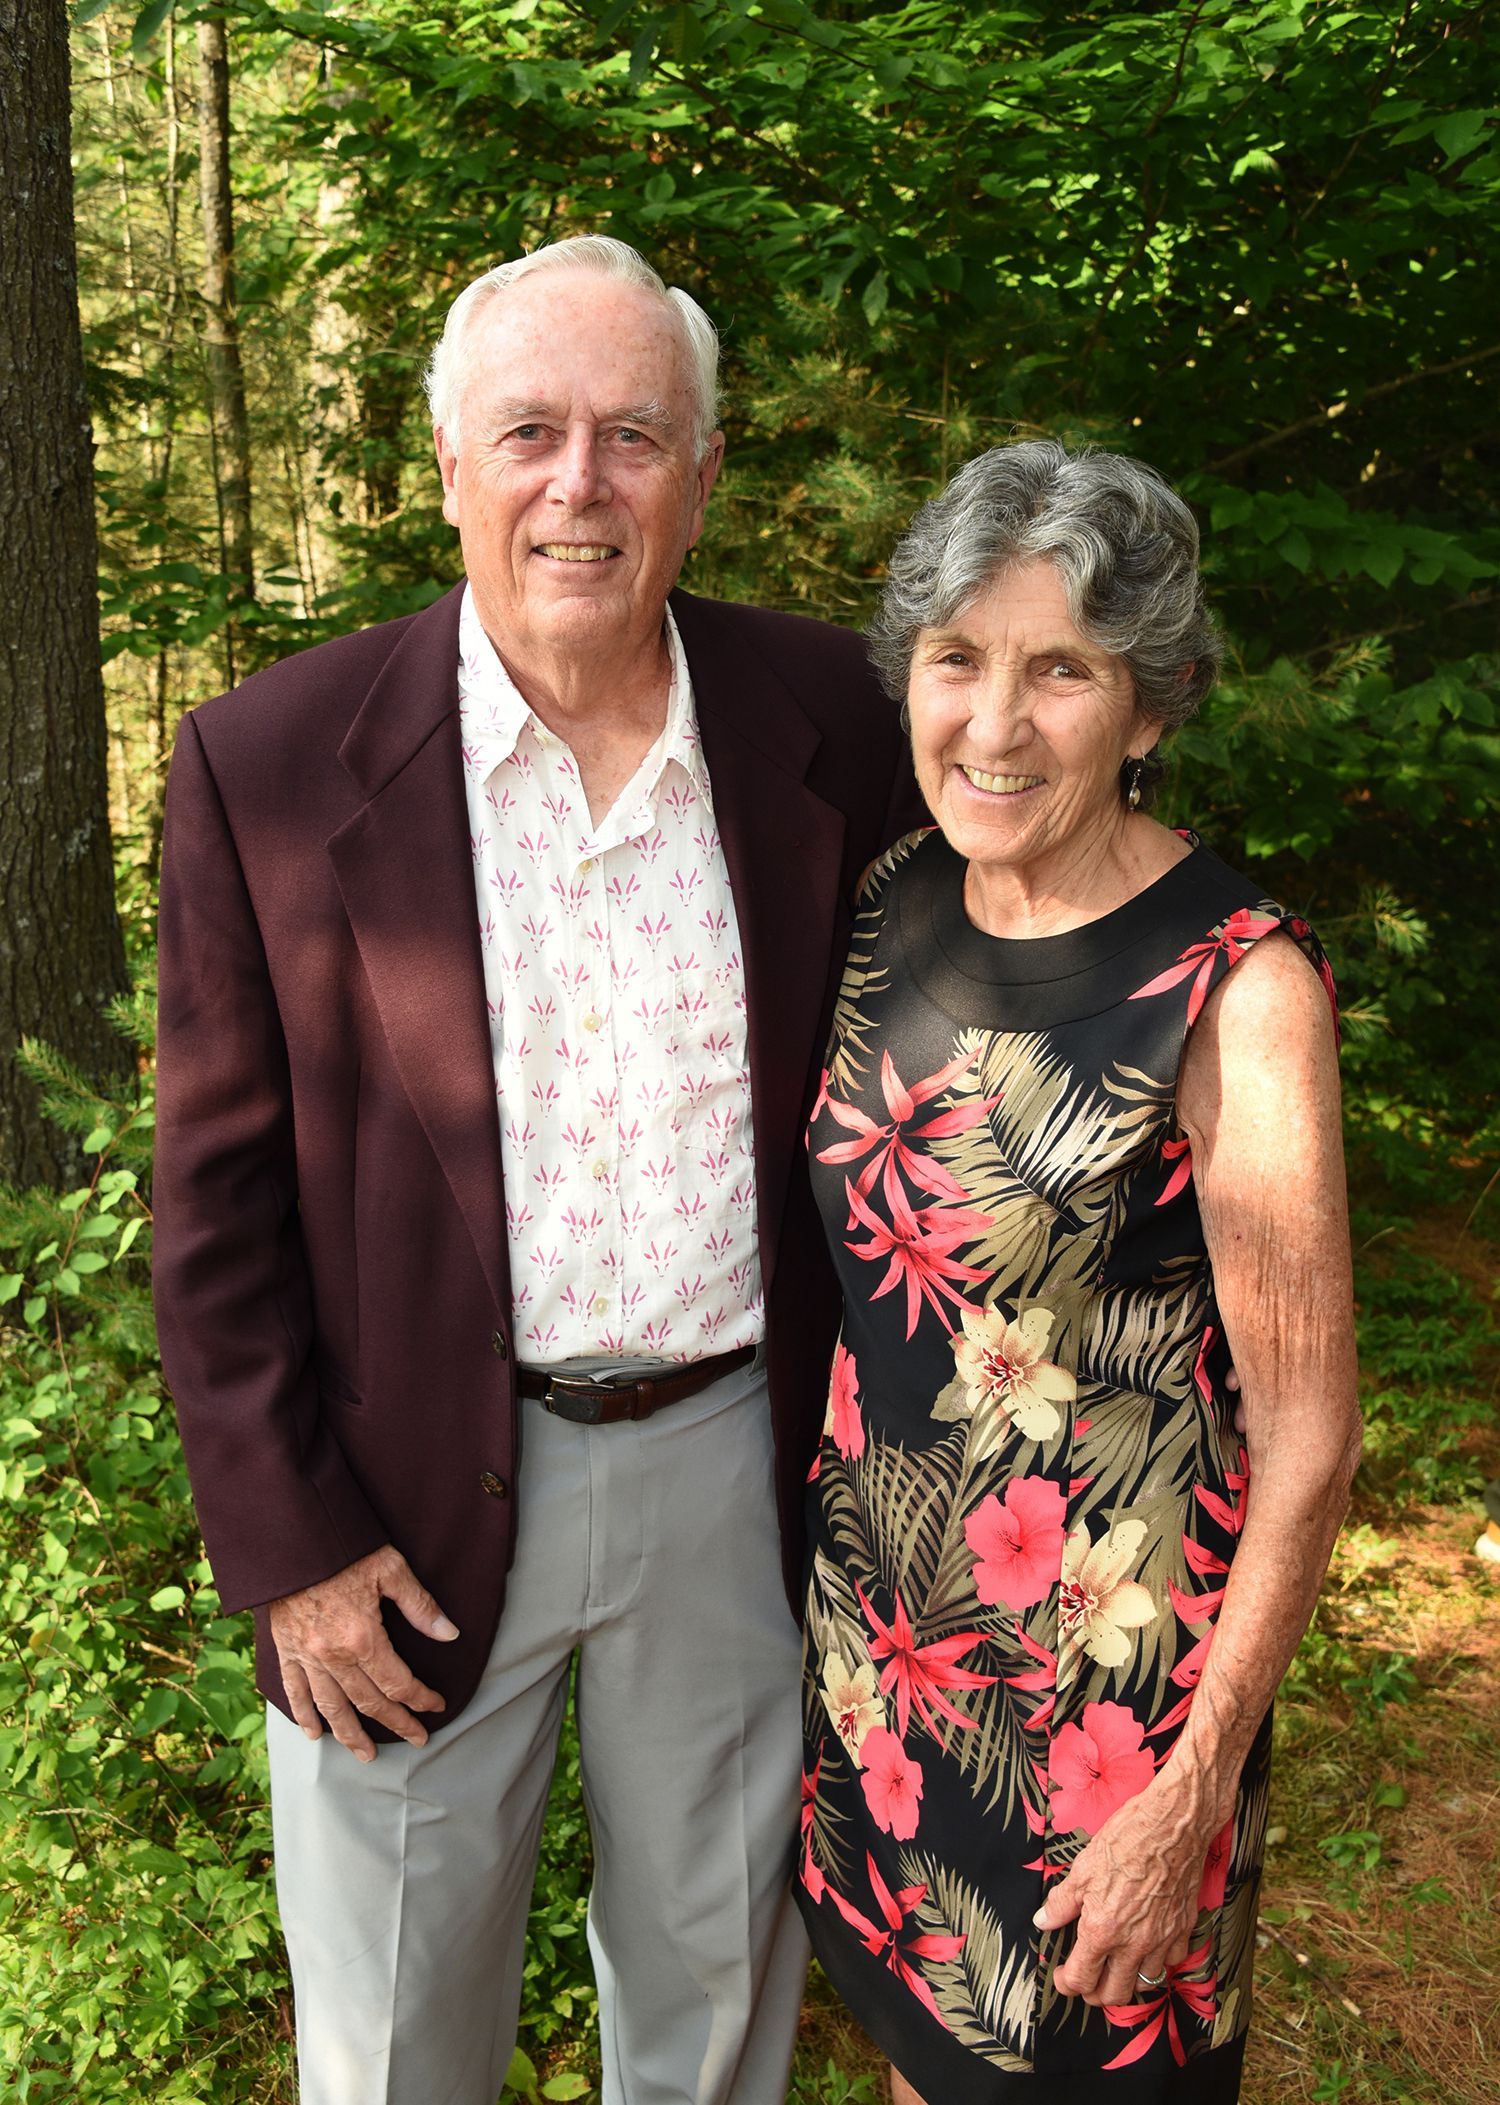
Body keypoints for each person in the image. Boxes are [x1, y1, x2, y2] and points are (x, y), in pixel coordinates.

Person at [151, 235, 918, 2105]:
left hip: (737, 1471)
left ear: (702, 475)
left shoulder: (844, 722)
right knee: (394, 2040)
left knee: (714, 2004)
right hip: (395, 1504)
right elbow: (214, 1212)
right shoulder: (270, 765)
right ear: (448, 466)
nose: (581, 484)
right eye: (530, 434)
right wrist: (292, 1547)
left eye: (633, 436)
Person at [796, 439, 1362, 2103]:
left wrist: (1192, 1789)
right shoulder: (893, 899)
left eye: (1061, 670)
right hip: (892, 1672)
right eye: (957, 658)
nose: (993, 721)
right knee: (924, 2060)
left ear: (1152, 705)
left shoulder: (1236, 992)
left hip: (1107, 1734)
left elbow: (1313, 1434)